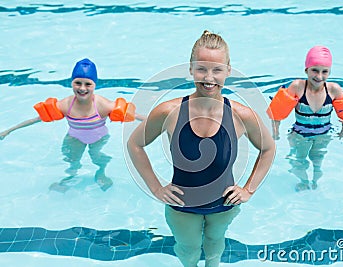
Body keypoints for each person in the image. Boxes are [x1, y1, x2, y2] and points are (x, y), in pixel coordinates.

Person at [127, 30, 275, 267]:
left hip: (224, 206)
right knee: (188, 250)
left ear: (228, 70)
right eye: (201, 68)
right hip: (182, 208)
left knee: (215, 246)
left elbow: (268, 149)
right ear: (190, 68)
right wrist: (155, 188)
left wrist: (249, 190)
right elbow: (135, 144)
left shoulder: (241, 115)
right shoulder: (169, 112)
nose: (209, 77)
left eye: (217, 69)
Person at [0, 58, 145, 192]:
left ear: (95, 85)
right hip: (74, 137)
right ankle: (70, 177)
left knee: (97, 158)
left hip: (98, 137)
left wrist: (162, 122)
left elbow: (135, 116)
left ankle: (101, 173)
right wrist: (9, 131)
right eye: (78, 83)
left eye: (88, 84)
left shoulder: (103, 105)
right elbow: (37, 119)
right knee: (71, 160)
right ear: (71, 83)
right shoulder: (65, 105)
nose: (82, 88)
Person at [267, 45, 343, 191]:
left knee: (317, 159)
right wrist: (275, 133)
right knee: (299, 160)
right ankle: (303, 181)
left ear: (329, 72)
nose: (319, 76)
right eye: (314, 70)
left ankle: (316, 180)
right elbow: (277, 113)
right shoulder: (297, 86)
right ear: (306, 70)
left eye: (325, 71)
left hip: (323, 135)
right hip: (299, 135)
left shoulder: (334, 89)